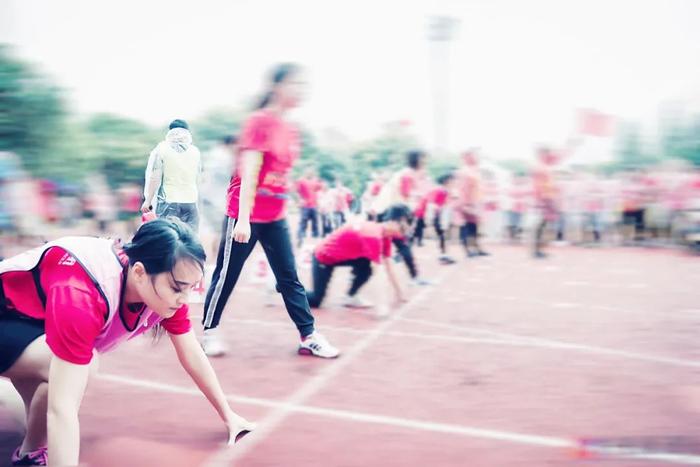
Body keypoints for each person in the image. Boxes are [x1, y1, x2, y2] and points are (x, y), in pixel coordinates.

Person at [0, 219, 254, 466]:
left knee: (51, 399)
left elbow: (192, 354)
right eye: (177, 288)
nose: (183, 300)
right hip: (8, 317)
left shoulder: (161, 285)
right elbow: (63, 409)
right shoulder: (81, 293)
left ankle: (26, 444)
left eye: (190, 288)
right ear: (139, 272)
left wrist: (228, 415)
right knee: (78, 372)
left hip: (32, 321)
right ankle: (27, 447)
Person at [200, 63, 339, 359]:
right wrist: (243, 219)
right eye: (295, 84)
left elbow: (281, 174)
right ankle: (209, 331)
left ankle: (309, 335)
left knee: (289, 276)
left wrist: (287, 207)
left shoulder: (291, 128)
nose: (301, 91)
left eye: (304, 85)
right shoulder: (258, 121)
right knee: (227, 274)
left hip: (275, 216)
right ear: (276, 87)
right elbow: (249, 172)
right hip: (246, 216)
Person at [305, 205, 409, 312]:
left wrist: (399, 293)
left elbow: (389, 267)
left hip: (340, 256)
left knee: (366, 265)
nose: (401, 230)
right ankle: (290, 290)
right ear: (392, 222)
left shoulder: (386, 236)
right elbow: (378, 273)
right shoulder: (373, 236)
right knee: (316, 300)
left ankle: (350, 296)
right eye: (401, 225)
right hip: (323, 257)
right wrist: (382, 305)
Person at [373, 150, 431, 285]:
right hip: (390, 212)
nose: (425, 163)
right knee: (402, 244)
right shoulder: (407, 175)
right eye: (423, 159)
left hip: (387, 211)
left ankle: (414, 276)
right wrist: (407, 218)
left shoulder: (406, 174)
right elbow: (405, 197)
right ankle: (415, 277)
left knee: (399, 244)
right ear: (417, 160)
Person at [142, 119, 202, 232]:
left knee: (167, 238)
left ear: (170, 131)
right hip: (191, 202)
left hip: (169, 202)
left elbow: (155, 177)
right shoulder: (195, 151)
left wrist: (148, 201)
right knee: (190, 240)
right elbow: (199, 178)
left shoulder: (162, 149)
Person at [412, 173, 456, 264]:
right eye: (452, 181)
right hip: (422, 214)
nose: (454, 182)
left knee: (441, 234)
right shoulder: (440, 190)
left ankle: (443, 255)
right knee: (412, 235)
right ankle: (401, 253)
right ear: (447, 181)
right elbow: (431, 205)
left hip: (427, 214)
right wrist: (430, 221)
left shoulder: (444, 191)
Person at [295, 168, 322, 248]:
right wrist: (300, 200)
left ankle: (316, 241)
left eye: (311, 172)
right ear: (305, 173)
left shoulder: (315, 181)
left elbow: (319, 189)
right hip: (305, 206)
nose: (310, 173)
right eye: (308, 172)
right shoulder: (301, 181)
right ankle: (300, 239)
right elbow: (297, 192)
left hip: (314, 205)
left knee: (315, 223)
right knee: (303, 223)